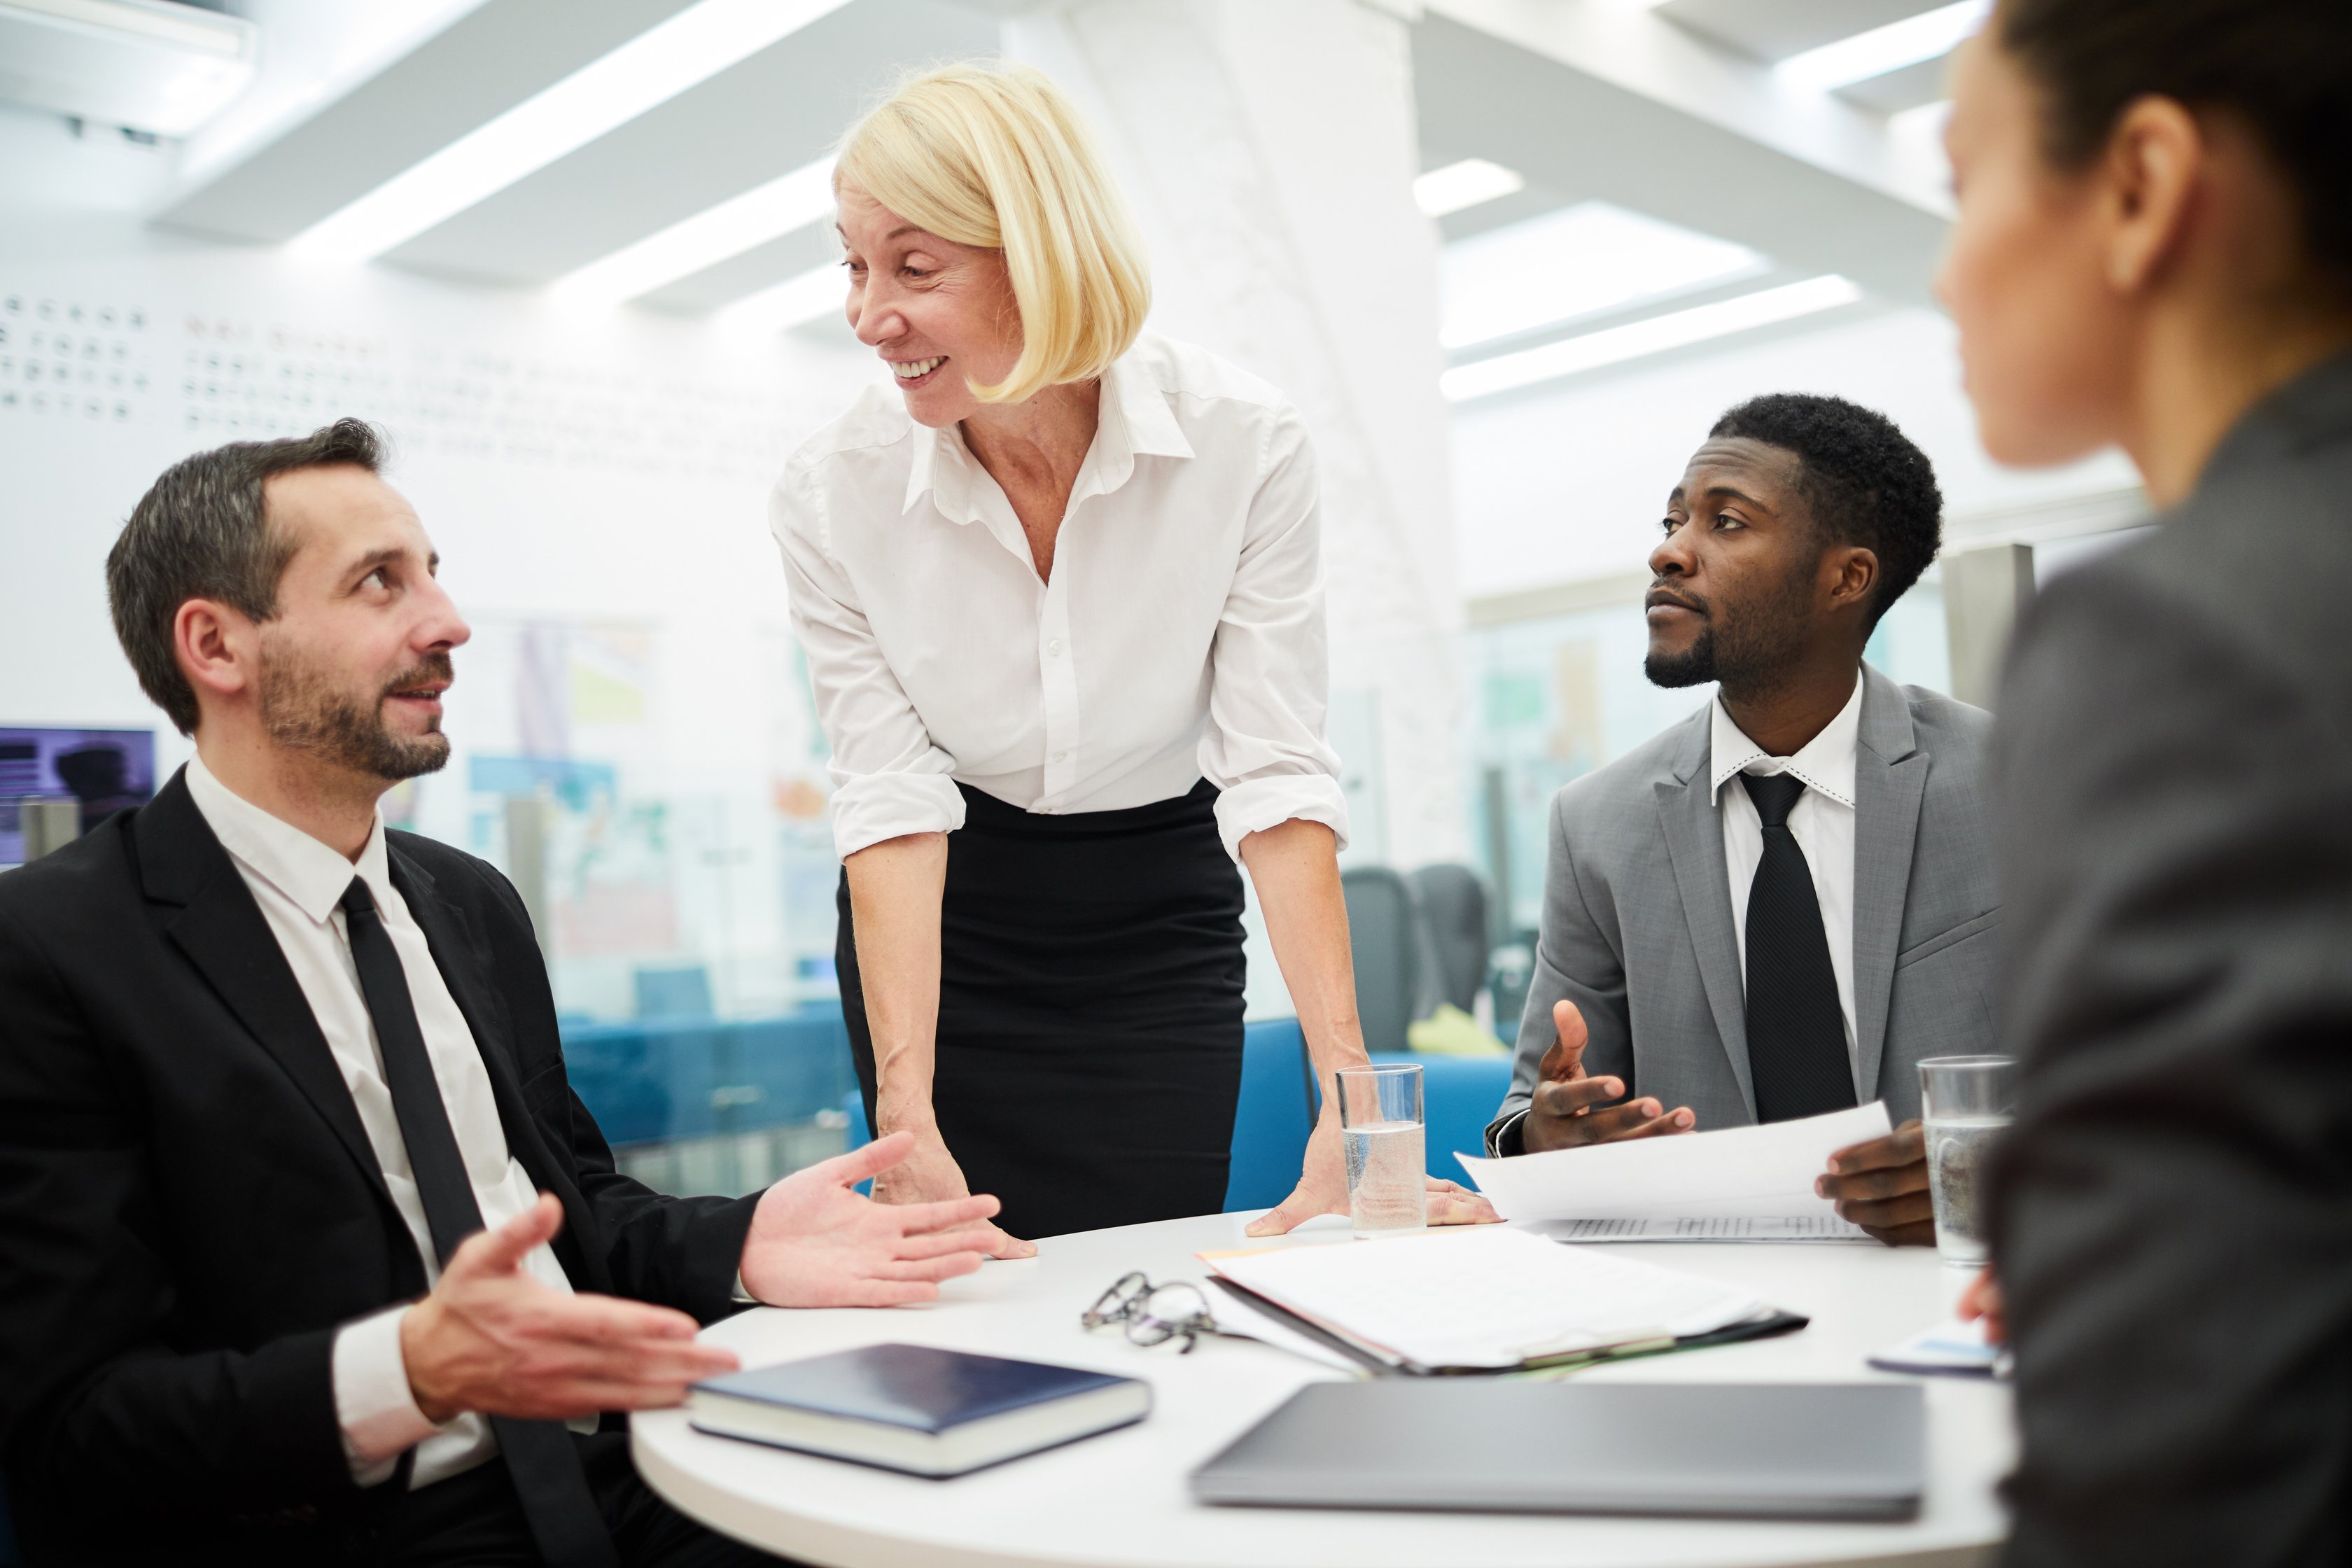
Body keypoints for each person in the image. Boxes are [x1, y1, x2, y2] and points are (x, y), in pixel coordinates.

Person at [0, 421, 1002, 1567]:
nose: (449, 623)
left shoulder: (464, 903)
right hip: (350, 1523)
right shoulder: (51, 950)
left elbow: (570, 1209)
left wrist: (742, 1242)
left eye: (433, 574)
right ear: (217, 646)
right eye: (381, 583)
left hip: (618, 1472)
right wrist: (411, 1370)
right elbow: (70, 1430)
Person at [773, 61, 1489, 1250]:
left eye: (913, 266)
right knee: (962, 1269)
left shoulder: (1240, 446)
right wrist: (907, 1104)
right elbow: (889, 798)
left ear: (1041, 251)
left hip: (1154, 915)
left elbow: (1274, 772)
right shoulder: (830, 492)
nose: (868, 315)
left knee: (1141, 1252)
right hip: (949, 920)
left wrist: (1351, 1100)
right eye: (853, 264)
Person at [1935, 0, 2352, 1560]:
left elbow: (2178, 1460)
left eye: (1963, 178)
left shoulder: (2186, 631)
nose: (1944, 266)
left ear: (2142, 184)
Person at [1485, 396, 1998, 1245]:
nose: (1668, 550)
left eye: (1726, 522)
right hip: (1717, 1298)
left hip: (1970, 1287)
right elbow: (1527, 1110)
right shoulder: (1597, 824)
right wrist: (1547, 1131)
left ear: (1848, 577)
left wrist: (1995, 1162)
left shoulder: (2014, 781)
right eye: (1673, 517)